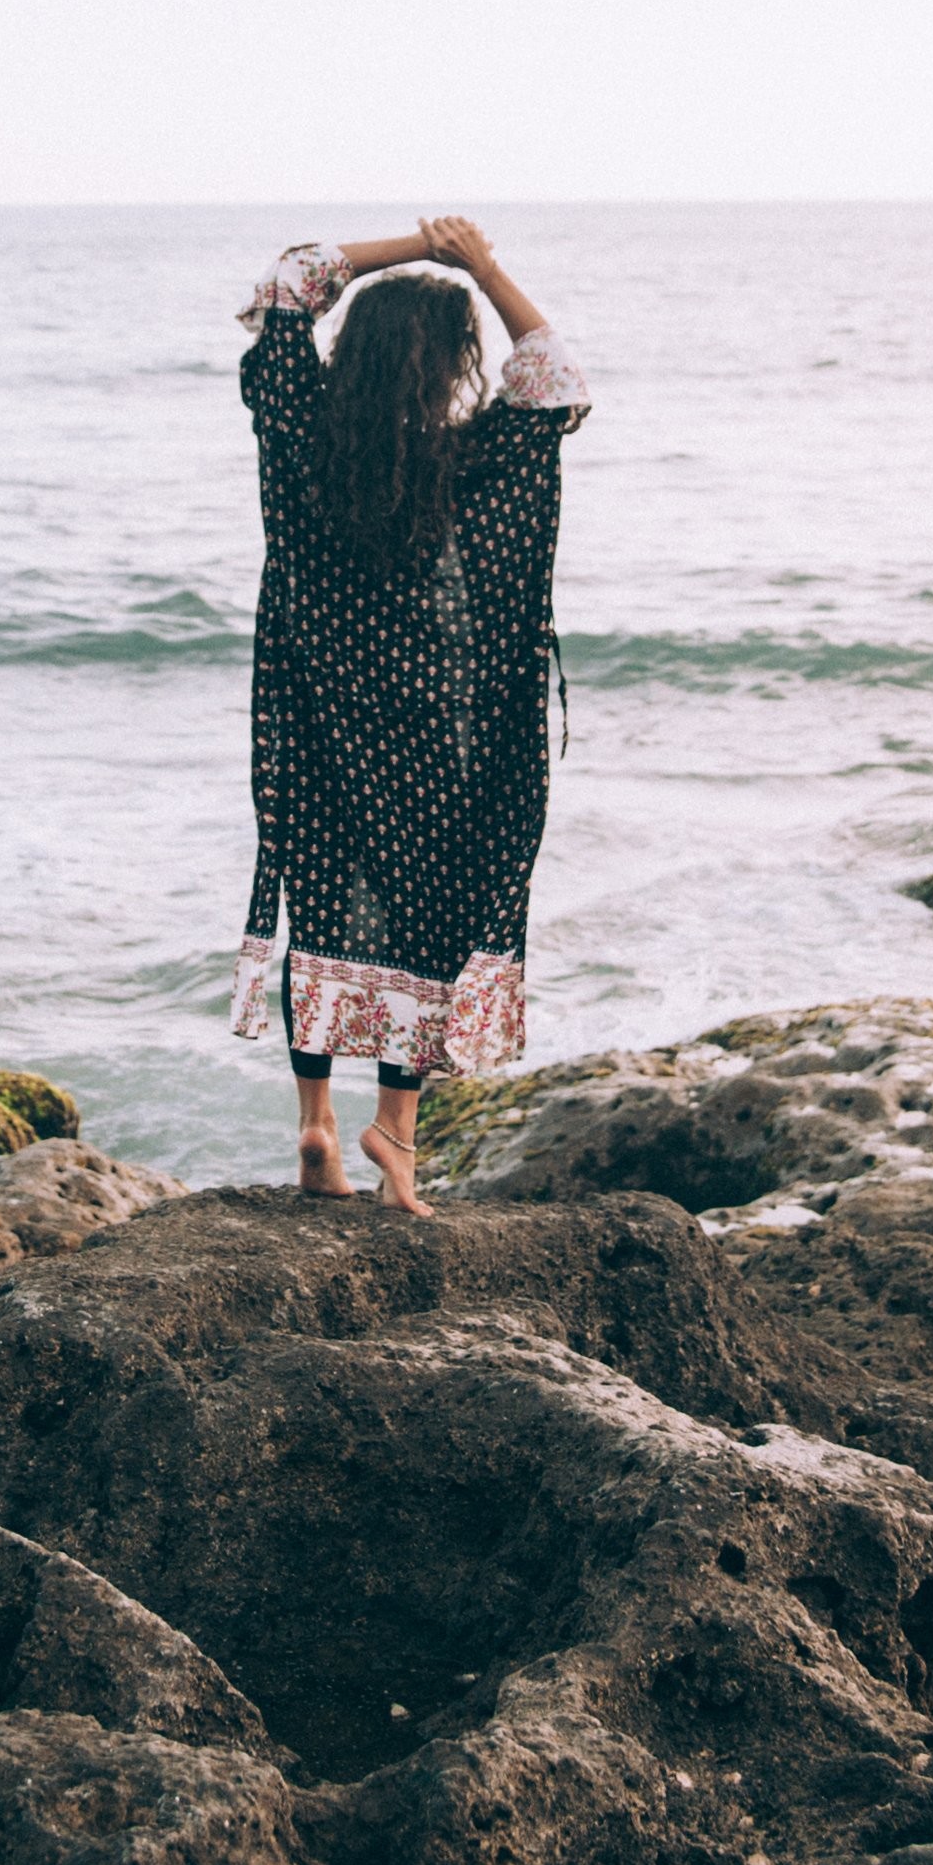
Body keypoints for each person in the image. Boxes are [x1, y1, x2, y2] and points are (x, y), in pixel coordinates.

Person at [231, 214, 592, 1214]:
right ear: (447, 366)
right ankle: (393, 1131)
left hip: (309, 719)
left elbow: (289, 280)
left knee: (324, 903)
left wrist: (401, 251)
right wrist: (477, 263)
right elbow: (556, 375)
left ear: (358, 350)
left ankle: (312, 1124)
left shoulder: (294, 422)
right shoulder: (471, 457)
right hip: (434, 730)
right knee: (424, 918)